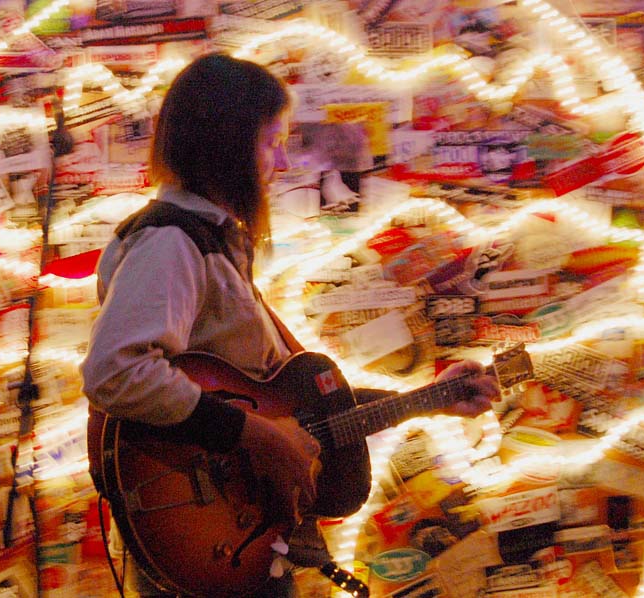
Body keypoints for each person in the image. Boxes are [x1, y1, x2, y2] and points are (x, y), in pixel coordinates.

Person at [81, 52, 498, 597]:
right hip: (211, 539)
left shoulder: (210, 243)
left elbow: (289, 408)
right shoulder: (170, 243)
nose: (279, 162)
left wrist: (428, 398)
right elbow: (116, 371)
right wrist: (255, 435)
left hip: (245, 533)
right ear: (226, 144)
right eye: (270, 141)